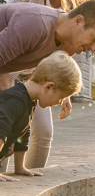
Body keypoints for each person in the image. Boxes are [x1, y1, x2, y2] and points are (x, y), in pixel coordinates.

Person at [5, 0, 95, 168]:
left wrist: (64, 89)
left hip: (38, 81)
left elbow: (58, 55)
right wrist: (5, 88)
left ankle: (29, 183)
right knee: (5, 131)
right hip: (9, 72)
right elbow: (11, 34)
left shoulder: (69, 8)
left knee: (44, 134)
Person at [0, 0, 95, 172]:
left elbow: (43, 75)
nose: (93, 49)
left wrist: (64, 94)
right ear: (78, 21)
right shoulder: (35, 24)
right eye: (94, 39)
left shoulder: (69, 46)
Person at [0, 52, 82, 182]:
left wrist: (19, 167)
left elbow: (23, 132)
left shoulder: (29, 99)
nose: (60, 102)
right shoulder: (14, 100)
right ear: (49, 87)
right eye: (60, 97)